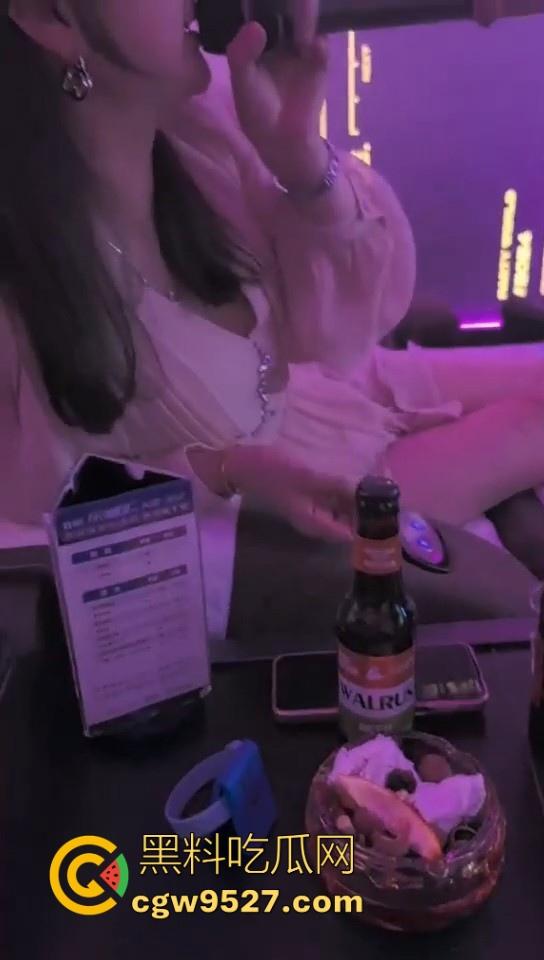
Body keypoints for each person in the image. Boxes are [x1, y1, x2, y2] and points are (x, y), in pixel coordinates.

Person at [1, 1, 544, 638]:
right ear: (49, 17)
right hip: (297, 492)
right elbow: (53, 510)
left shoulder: (202, 129)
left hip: (329, 394)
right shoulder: (26, 290)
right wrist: (231, 470)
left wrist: (301, 160)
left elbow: (338, 335)